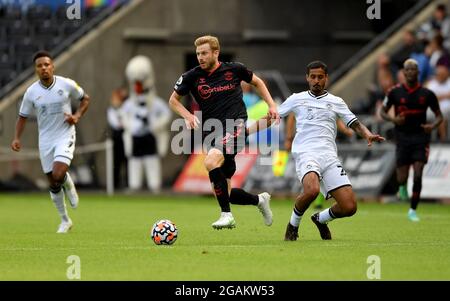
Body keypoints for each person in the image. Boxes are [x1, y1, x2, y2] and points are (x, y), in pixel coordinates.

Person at [248, 60, 385, 241]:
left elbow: (354, 122)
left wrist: (367, 134)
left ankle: (320, 219)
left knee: (349, 207)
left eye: (320, 77)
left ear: (326, 78)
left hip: (329, 157)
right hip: (306, 153)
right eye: (313, 77)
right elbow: (271, 117)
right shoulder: (297, 99)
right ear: (307, 78)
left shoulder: (336, 102)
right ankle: (292, 226)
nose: (316, 81)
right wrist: (245, 132)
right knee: (311, 190)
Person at [169, 35, 279, 229]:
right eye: (197, 54)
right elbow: (173, 100)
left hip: (235, 124)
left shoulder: (234, 69)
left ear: (216, 53)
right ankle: (259, 200)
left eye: (204, 53)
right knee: (224, 193)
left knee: (210, 162)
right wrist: (187, 115)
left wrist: (271, 105)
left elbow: (258, 83)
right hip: (213, 132)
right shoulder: (192, 76)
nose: (200, 57)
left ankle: (226, 215)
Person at [11, 50, 90, 233]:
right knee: (53, 183)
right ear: (36, 70)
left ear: (52, 66)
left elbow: (85, 99)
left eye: (47, 65)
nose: (44, 68)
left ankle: (69, 184)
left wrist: (77, 116)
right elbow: (22, 117)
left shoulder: (66, 84)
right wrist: (16, 138)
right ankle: (65, 220)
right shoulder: (31, 92)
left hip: (65, 134)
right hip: (45, 139)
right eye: (40, 66)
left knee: (58, 173)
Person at [381, 58, 443, 222]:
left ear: (418, 72)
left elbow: (439, 117)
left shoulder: (427, 94)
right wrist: (394, 120)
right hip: (402, 138)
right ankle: (402, 187)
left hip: (421, 138)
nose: (410, 72)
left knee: (417, 174)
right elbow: (382, 112)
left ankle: (413, 210)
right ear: (403, 72)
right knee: (402, 177)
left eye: (413, 69)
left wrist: (432, 127)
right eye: (407, 69)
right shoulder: (394, 92)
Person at [122, 55, 171, 193]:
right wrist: (131, 126)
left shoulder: (156, 103)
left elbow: (166, 114)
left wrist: (156, 125)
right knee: (135, 161)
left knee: (152, 160)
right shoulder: (130, 104)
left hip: (150, 134)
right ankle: (134, 185)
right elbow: (124, 116)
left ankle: (154, 185)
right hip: (136, 135)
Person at [107, 88, 128, 189]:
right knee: (116, 162)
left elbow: (127, 122)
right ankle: (115, 184)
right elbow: (115, 124)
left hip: (126, 137)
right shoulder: (112, 110)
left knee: (127, 161)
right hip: (117, 137)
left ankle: (128, 183)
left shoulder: (126, 109)